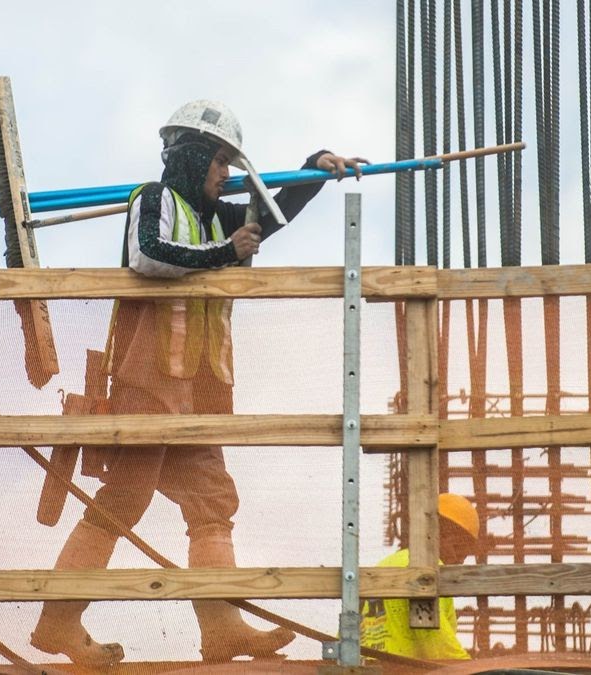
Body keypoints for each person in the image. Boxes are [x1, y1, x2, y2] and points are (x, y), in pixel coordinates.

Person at [30, 100, 367, 666]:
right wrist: (223, 254)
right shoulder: (155, 200)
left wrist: (315, 169)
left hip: (199, 387)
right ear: (190, 158)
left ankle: (222, 628)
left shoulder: (217, 215)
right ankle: (58, 622)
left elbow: (272, 214)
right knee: (125, 500)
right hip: (147, 381)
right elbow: (147, 256)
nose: (227, 174)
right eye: (219, 161)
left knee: (212, 502)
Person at [360, 493, 480, 660]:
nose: (459, 560)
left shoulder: (381, 568)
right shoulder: (427, 574)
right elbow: (441, 651)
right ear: (437, 534)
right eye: (458, 548)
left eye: (465, 555)